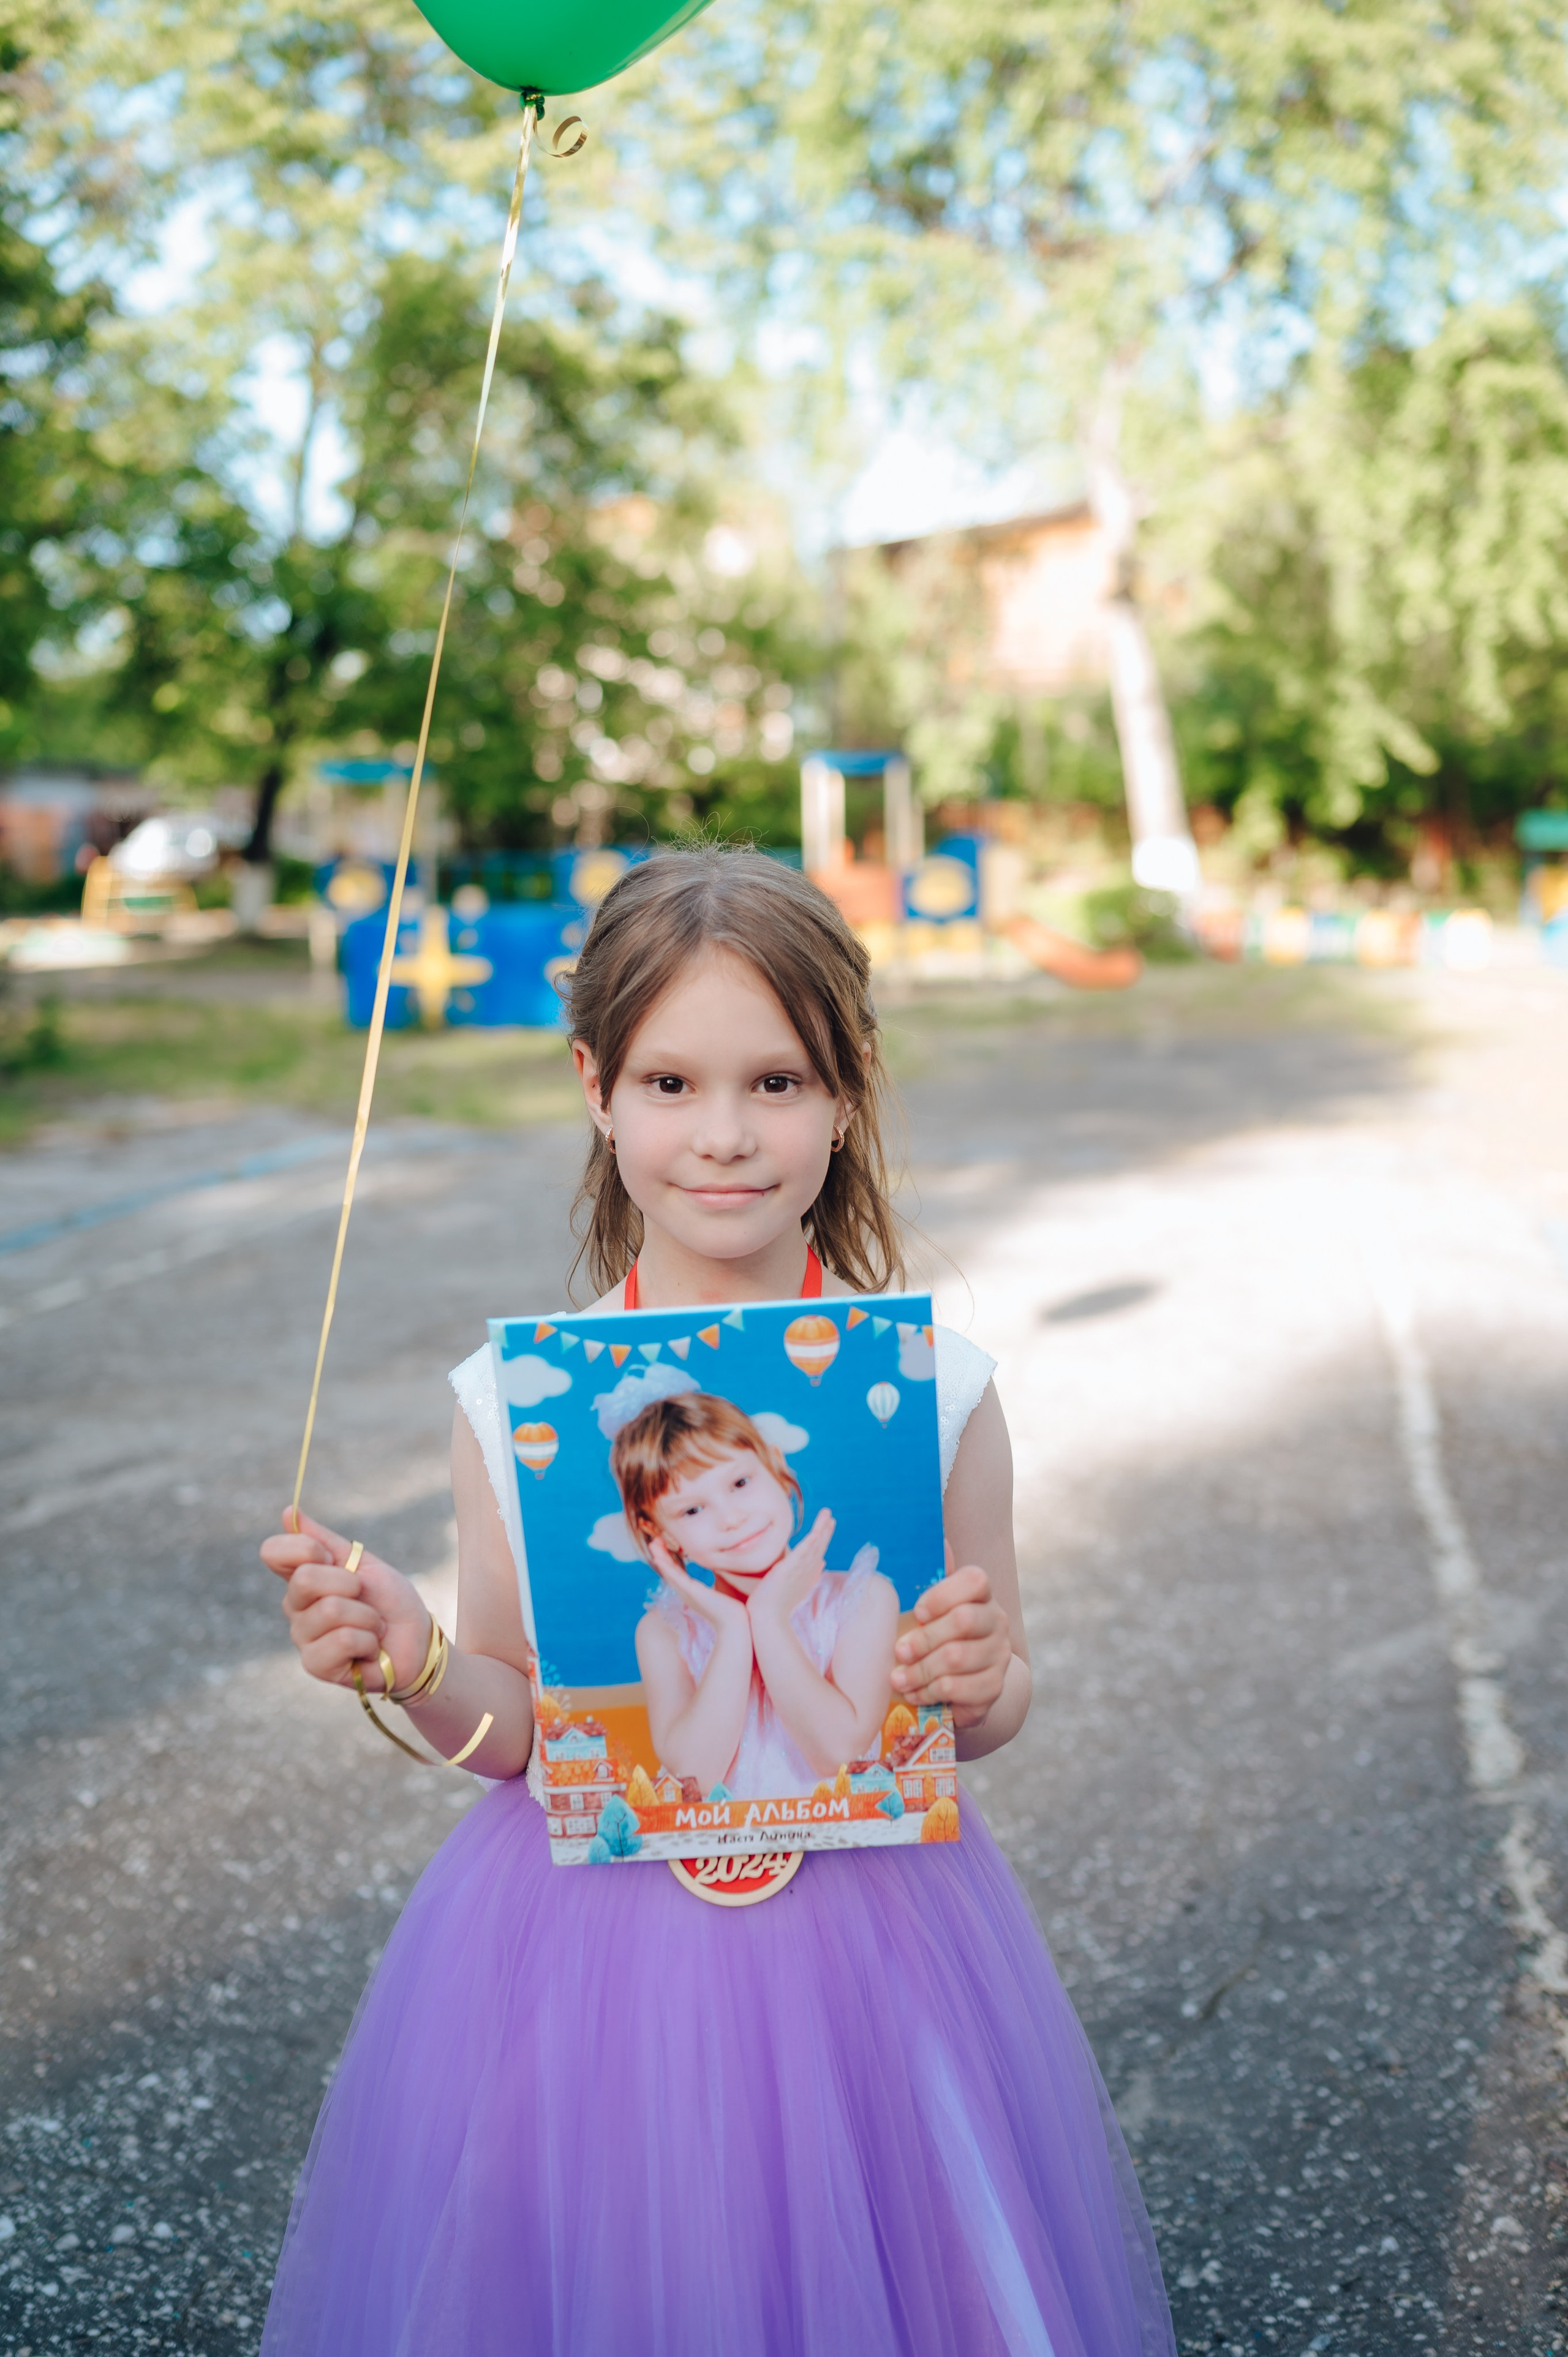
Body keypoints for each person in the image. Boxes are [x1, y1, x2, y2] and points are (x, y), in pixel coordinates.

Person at [258, 846, 1176, 2357]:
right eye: (671, 1082)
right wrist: (412, 1657)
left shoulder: (936, 1395)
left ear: (847, 1088)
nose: (726, 1133)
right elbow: (519, 1725)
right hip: (593, 1952)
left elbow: (985, 1702)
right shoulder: (513, 1404)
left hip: (872, 1942)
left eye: (777, 1081)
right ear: (595, 1087)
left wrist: (977, 1677)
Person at [608, 1378, 899, 1799]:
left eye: (740, 1483)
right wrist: (732, 1628)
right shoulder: (664, 1633)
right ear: (660, 1532)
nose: (731, 1519)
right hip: (719, 1846)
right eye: (692, 1510)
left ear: (776, 1467)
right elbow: (696, 1781)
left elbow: (838, 1756)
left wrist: (769, 1618)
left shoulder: (862, 1599)